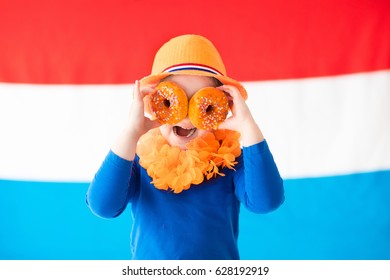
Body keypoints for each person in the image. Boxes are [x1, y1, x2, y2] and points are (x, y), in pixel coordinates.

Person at [86, 34, 284, 260]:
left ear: (223, 107)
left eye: (203, 104)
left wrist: (248, 128)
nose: (187, 118)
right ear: (152, 104)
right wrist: (131, 131)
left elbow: (266, 202)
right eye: (172, 103)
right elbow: (103, 206)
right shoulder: (141, 161)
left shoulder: (229, 162)